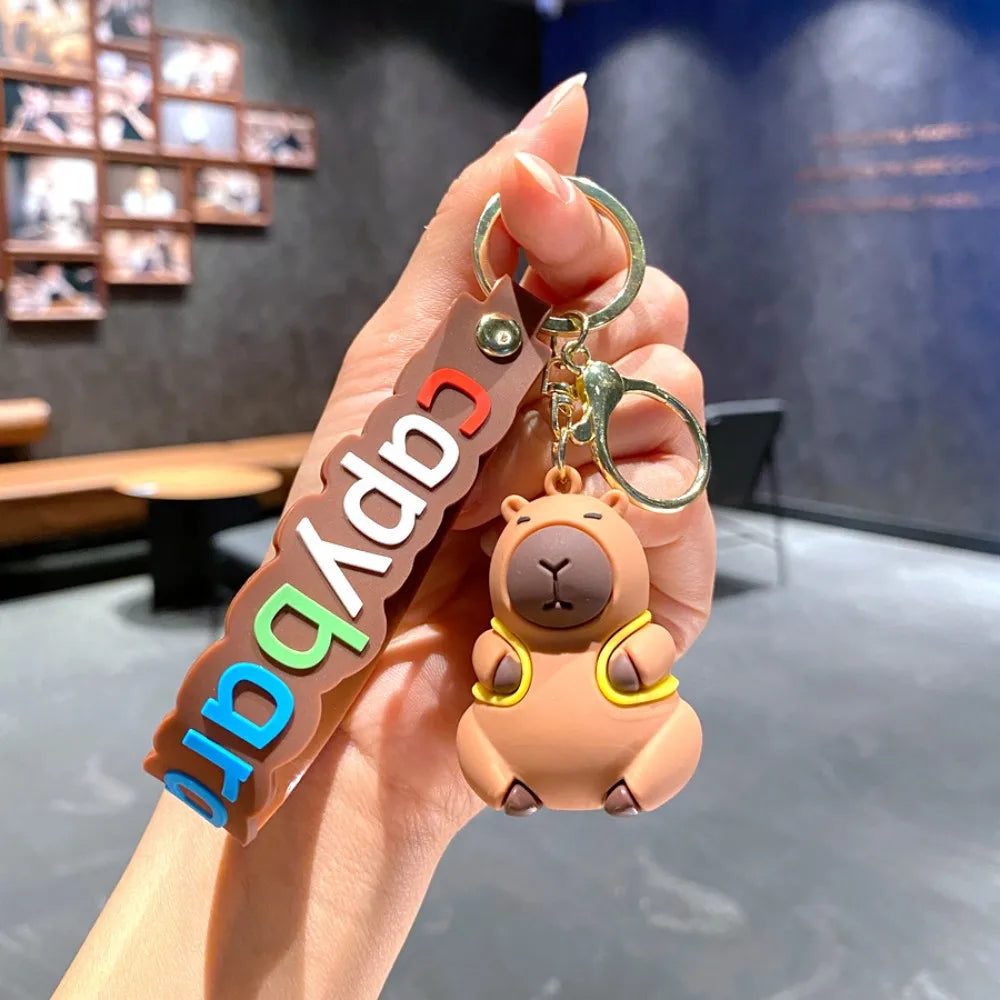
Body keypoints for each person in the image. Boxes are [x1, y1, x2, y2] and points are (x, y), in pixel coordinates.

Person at [52, 74, 715, 998]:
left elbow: (615, 660)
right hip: (384, 617)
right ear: (513, 524)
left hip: (544, 703)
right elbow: (503, 666)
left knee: (667, 732)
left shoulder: (572, 627)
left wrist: (387, 797)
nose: (561, 562)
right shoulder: (497, 624)